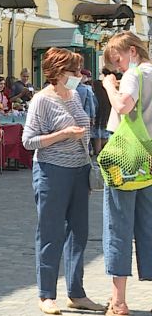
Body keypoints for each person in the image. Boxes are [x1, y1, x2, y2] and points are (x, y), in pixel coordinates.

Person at [21, 47, 105, 315]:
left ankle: (76, 293)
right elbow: (28, 141)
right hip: (51, 171)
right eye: (73, 71)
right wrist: (63, 134)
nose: (79, 75)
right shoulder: (42, 100)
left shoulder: (75, 95)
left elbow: (85, 132)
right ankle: (46, 294)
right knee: (51, 232)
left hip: (79, 170)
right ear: (57, 72)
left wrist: (87, 167)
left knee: (79, 232)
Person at [100, 31, 152, 316]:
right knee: (148, 226)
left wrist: (110, 87)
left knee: (118, 226)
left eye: (117, 59)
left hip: (127, 157)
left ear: (132, 51)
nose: (117, 68)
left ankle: (118, 301)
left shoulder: (134, 74)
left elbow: (123, 106)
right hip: (150, 157)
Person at [90, 68, 112, 156]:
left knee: (97, 134)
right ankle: (103, 152)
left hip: (98, 115)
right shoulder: (108, 92)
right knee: (104, 134)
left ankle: (98, 152)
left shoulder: (96, 89)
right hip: (106, 116)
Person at [76, 69, 97, 133]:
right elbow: (91, 104)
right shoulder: (87, 89)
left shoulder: (70, 88)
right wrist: (93, 117)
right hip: (85, 116)